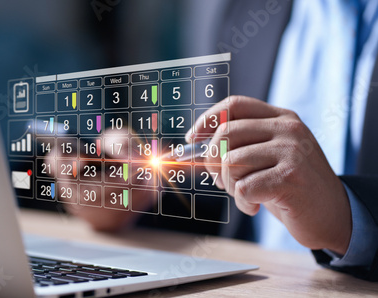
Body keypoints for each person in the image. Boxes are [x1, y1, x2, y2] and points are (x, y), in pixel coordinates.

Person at [54, 0, 378, 281]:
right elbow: (230, 191)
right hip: (260, 296)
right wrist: (139, 200)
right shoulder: (247, 11)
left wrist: (349, 219)